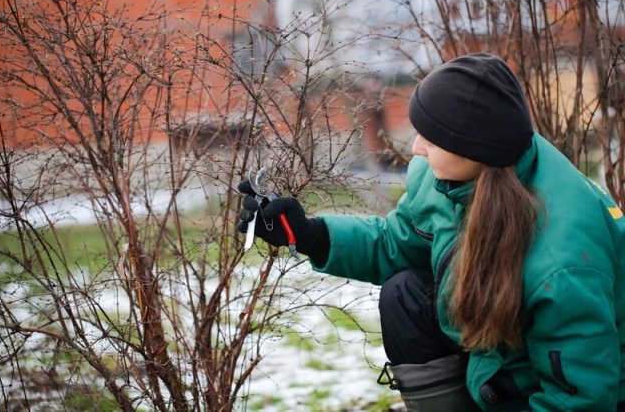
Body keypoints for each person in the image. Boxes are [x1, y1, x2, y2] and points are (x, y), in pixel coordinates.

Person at [237, 53, 625, 411]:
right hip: (500, 359)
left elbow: (580, 399)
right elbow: (396, 244)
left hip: (564, 382)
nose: (417, 147)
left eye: (431, 138)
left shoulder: (563, 262)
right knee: (403, 295)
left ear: (470, 148)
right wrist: (308, 234)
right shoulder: (461, 172)